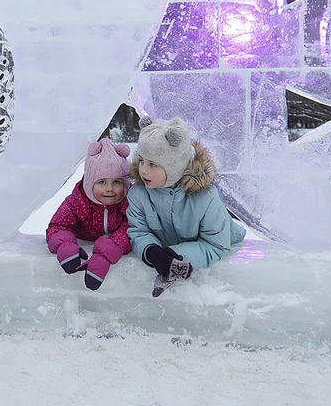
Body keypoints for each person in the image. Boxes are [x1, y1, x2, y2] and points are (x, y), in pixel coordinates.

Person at [126, 117, 246, 297]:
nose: (143, 170)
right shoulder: (138, 194)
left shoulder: (205, 197)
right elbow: (139, 232)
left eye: (153, 164)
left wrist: (177, 255)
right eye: (141, 160)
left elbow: (216, 244)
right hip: (168, 243)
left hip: (221, 236)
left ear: (174, 167)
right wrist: (152, 252)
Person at [46, 138, 132, 291]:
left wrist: (108, 250)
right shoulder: (77, 201)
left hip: (109, 246)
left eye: (117, 182)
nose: (110, 189)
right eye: (102, 182)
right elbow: (57, 225)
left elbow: (132, 229)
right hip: (83, 242)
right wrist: (65, 245)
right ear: (89, 183)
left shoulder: (129, 202)